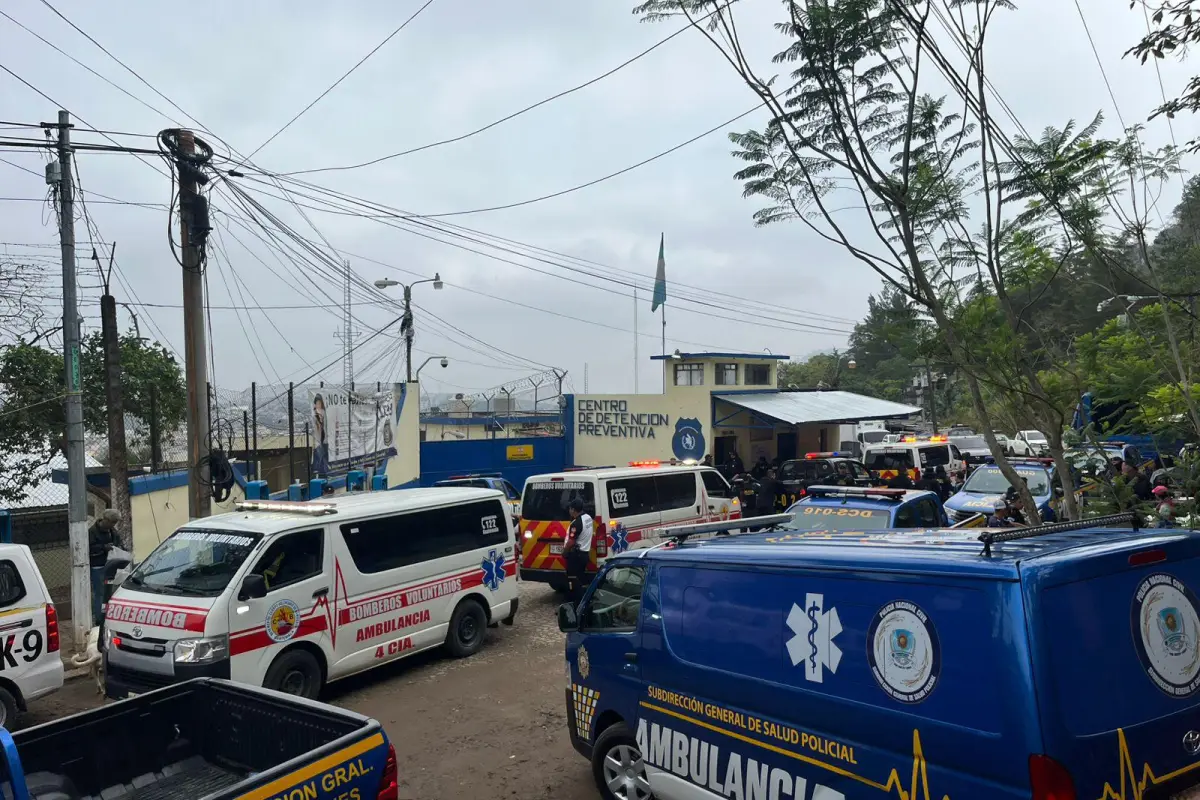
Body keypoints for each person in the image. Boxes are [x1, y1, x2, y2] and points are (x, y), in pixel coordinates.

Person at [88, 509, 120, 624]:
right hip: (98, 566)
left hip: (110, 565)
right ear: (105, 519)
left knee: (108, 591)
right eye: (112, 522)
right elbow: (89, 549)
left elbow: (118, 543)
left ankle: (106, 615)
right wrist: (103, 548)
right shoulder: (92, 532)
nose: (113, 525)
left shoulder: (112, 531)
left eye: (114, 523)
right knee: (100, 593)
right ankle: (99, 618)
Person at [563, 498, 594, 604]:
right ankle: (581, 602)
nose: (569, 511)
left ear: (573, 510)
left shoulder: (576, 524)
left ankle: (573, 604)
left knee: (572, 581)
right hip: (585, 554)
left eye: (570, 509)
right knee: (580, 580)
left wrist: (565, 552)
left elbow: (571, 541)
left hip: (576, 557)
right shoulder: (588, 518)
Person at [311, 393, 331, 476]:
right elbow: (316, 426)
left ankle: (325, 469)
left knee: (325, 454)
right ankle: (318, 471)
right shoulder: (314, 414)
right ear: (315, 404)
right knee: (319, 455)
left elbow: (326, 425)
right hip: (318, 439)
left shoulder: (324, 413)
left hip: (325, 438)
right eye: (317, 403)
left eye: (320, 403)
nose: (318, 404)